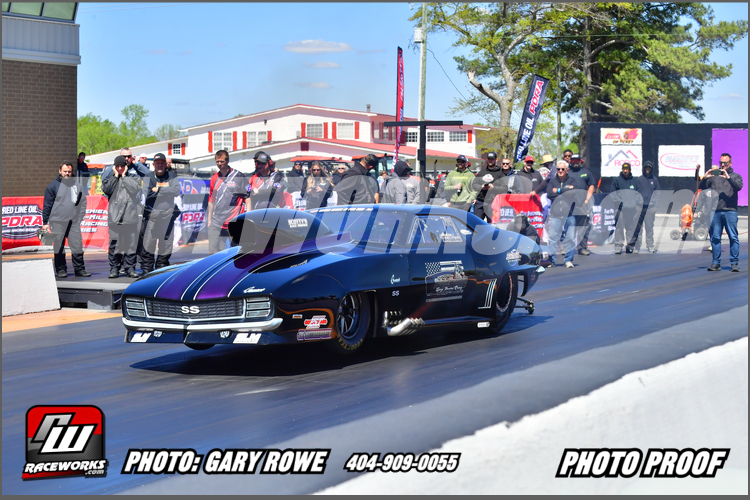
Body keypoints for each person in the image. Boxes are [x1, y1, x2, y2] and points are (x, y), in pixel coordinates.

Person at [42, 162, 91, 278]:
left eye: (69, 171)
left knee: (77, 246)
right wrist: (45, 222)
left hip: (73, 222)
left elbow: (83, 203)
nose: (67, 173)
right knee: (59, 247)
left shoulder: (77, 185)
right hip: (57, 222)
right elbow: (47, 205)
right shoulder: (53, 186)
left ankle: (79, 269)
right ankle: (61, 269)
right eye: (65, 171)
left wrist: (79, 218)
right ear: (60, 171)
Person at [102, 156, 143, 278]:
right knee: (115, 244)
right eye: (117, 166)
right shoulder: (109, 179)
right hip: (114, 218)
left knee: (130, 245)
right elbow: (107, 190)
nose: (120, 168)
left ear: (126, 167)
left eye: (122, 166)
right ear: (114, 167)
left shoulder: (134, 178)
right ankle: (114, 268)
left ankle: (130, 268)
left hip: (130, 217)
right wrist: (115, 177)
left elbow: (135, 189)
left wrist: (124, 177)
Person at [140, 153, 181, 274]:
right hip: (151, 217)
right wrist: (167, 192)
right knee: (148, 245)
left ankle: (161, 270)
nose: (160, 165)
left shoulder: (172, 176)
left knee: (166, 246)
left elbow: (176, 191)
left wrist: (158, 189)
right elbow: (148, 194)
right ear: (153, 165)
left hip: (168, 217)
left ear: (165, 164)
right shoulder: (148, 177)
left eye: (162, 163)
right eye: (157, 163)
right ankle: (147, 271)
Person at [705, 153, 743, 272]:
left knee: (733, 237)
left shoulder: (736, 176)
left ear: (730, 163)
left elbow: (738, 187)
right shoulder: (714, 177)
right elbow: (702, 187)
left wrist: (728, 178)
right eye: (721, 162)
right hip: (715, 211)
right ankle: (716, 263)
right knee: (715, 238)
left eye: (725, 163)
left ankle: (734, 263)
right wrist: (705, 177)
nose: (722, 165)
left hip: (730, 211)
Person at [207, 150, 247, 253]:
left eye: (222, 161)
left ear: (228, 161)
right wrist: (209, 219)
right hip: (217, 222)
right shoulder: (214, 178)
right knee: (213, 252)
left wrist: (248, 216)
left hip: (233, 221)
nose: (219, 164)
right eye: (217, 161)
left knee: (236, 252)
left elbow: (248, 197)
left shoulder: (238, 176)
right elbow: (211, 200)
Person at [546, 160, 578, 268]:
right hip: (555, 214)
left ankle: (568, 260)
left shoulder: (572, 180)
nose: (560, 171)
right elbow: (549, 194)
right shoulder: (552, 181)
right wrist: (565, 191)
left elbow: (573, 193)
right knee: (552, 238)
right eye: (558, 169)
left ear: (567, 170)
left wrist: (558, 191)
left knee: (570, 238)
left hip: (569, 214)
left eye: (562, 169)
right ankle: (551, 261)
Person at [609, 162, 642, 254]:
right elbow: (613, 193)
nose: (625, 171)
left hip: (632, 209)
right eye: (624, 169)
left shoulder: (635, 181)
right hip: (620, 209)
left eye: (627, 169)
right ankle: (618, 246)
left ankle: (630, 246)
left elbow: (639, 193)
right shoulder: (617, 180)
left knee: (631, 228)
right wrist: (620, 202)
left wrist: (635, 202)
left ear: (630, 170)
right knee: (619, 228)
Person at [566, 153, 596, 256]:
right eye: (573, 160)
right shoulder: (567, 172)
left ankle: (582, 248)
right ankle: (567, 248)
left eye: (577, 160)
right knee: (568, 226)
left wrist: (587, 199)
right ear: (570, 161)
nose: (575, 162)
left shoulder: (586, 172)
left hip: (582, 204)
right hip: (569, 204)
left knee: (583, 227)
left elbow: (591, 185)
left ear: (580, 161)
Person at [634, 161, 661, 253]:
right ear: (644, 168)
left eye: (649, 168)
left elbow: (657, 194)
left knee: (649, 228)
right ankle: (637, 247)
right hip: (639, 207)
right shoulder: (639, 179)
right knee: (638, 228)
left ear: (651, 169)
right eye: (646, 167)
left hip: (650, 208)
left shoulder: (654, 180)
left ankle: (650, 246)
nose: (647, 169)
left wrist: (655, 207)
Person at [471, 152, 505, 221]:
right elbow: (474, 184)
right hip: (480, 202)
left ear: (496, 159)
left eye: (492, 159)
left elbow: (505, 188)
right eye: (489, 159)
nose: (490, 161)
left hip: (493, 202)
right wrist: (481, 187)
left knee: (492, 224)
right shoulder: (482, 172)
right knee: (477, 223)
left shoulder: (500, 174)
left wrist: (493, 188)